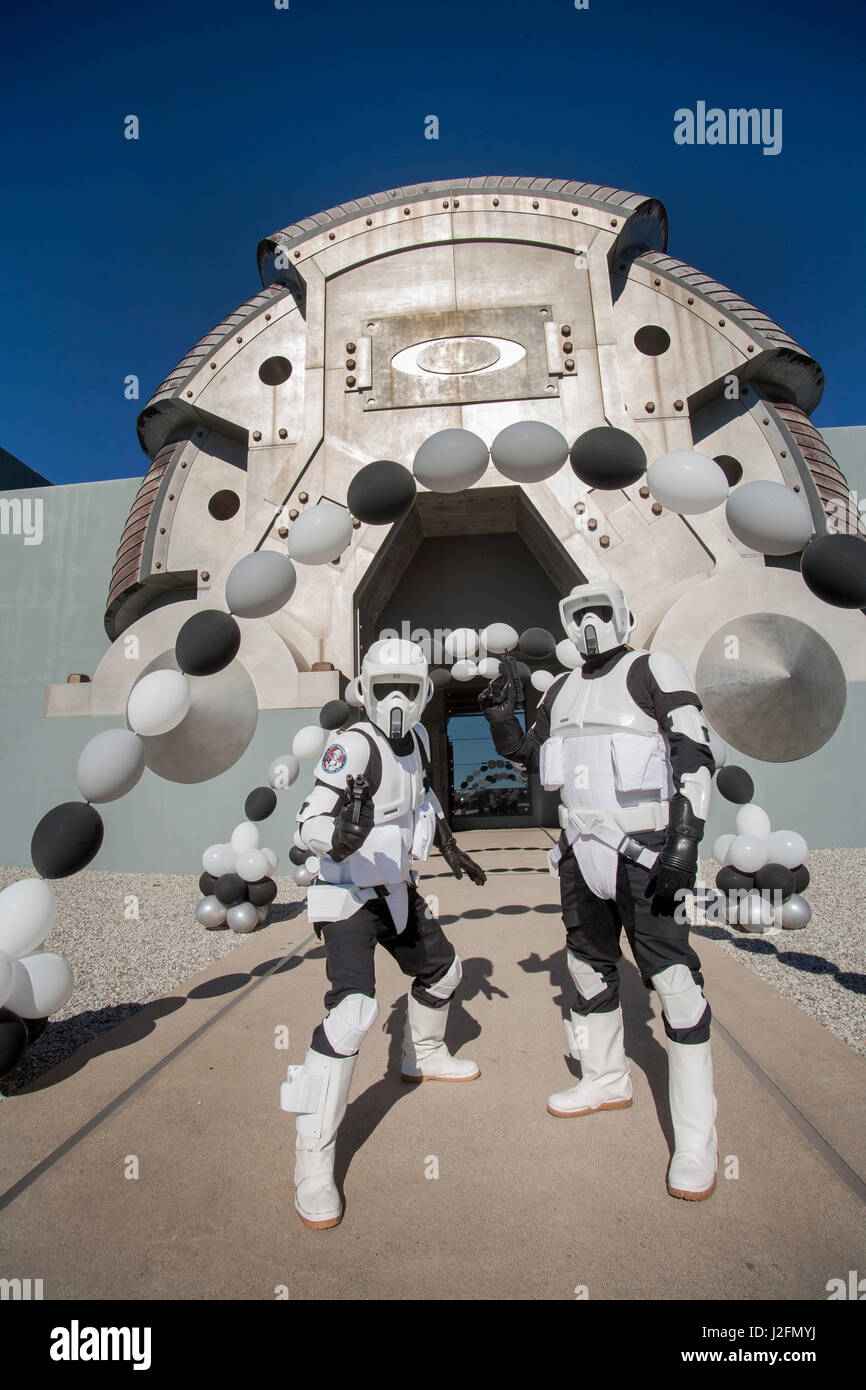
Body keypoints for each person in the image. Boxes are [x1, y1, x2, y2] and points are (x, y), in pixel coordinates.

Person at [479, 581, 718, 1201]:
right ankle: (605, 1077)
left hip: (646, 852)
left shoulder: (650, 669)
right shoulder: (559, 689)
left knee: (676, 987)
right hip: (579, 852)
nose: (588, 625)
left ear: (622, 616)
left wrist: (688, 838)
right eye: (576, 615)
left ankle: (696, 1141)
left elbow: (692, 751)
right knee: (587, 969)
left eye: (598, 613)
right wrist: (502, 724)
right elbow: (536, 758)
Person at [281, 637, 486, 1229]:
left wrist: (447, 843)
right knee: (352, 1011)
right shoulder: (351, 745)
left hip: (395, 890)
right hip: (347, 895)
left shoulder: (418, 739)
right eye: (383, 687)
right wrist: (333, 839)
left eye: (408, 687)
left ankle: (420, 1054)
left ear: (423, 693)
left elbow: (421, 797)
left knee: (445, 972)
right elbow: (311, 817)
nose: (396, 700)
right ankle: (313, 1161)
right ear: (364, 692)